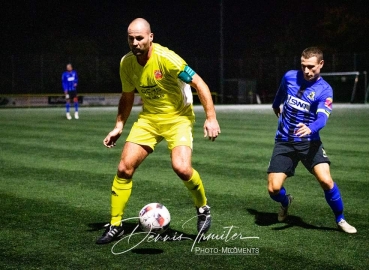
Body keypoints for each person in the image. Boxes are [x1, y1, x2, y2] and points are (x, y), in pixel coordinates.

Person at [96, 18, 221, 244]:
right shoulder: (126, 63)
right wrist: (119, 126)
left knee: (182, 168)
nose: (134, 43)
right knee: (124, 168)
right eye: (130, 38)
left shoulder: (167, 59)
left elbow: (199, 83)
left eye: (140, 38)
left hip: (178, 118)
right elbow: (127, 96)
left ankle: (203, 208)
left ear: (151, 37)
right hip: (149, 119)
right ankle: (116, 225)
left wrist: (211, 118)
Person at [267, 47, 356, 233]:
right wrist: (276, 104)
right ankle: (286, 201)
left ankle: (340, 219)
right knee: (274, 189)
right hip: (284, 141)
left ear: (321, 64)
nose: (306, 71)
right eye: (303, 66)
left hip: (310, 142)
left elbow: (323, 117)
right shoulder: (290, 76)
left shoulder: (325, 90)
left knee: (326, 181)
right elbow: (281, 92)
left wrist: (310, 128)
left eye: (311, 67)